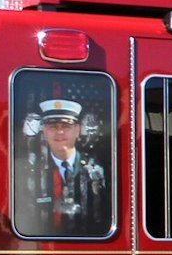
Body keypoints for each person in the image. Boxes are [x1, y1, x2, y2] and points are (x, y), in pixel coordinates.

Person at [17, 98, 110, 237]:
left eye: (66, 126)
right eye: (53, 127)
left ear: (77, 130)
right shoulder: (30, 171)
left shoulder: (96, 170)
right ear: (44, 131)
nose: (59, 132)